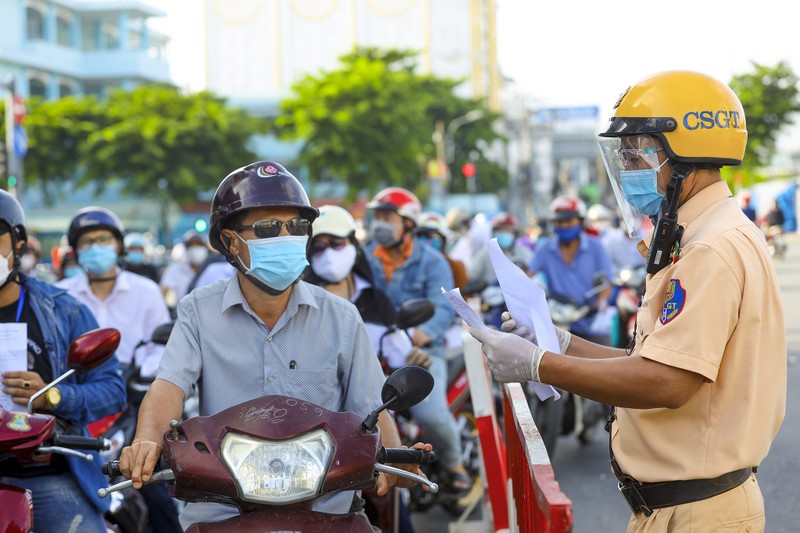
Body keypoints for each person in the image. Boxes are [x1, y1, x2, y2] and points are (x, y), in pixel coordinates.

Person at [471, 71, 786, 532]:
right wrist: (560, 343)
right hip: (679, 509)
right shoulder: (706, 234)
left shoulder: (709, 248)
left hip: (700, 514)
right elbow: (648, 360)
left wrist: (539, 365)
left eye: (637, 151)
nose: (629, 166)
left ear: (684, 154)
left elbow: (667, 382)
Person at [117, 161, 426, 529]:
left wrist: (398, 458)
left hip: (326, 504)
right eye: (267, 228)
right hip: (222, 502)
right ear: (231, 242)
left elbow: (371, 404)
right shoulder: (198, 310)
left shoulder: (342, 316)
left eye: (295, 227)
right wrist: (147, 441)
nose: (285, 236)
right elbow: (168, 386)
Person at [0, 189, 126, 532]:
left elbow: (112, 390)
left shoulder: (63, 310)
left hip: (49, 474)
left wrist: (52, 397)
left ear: (19, 243)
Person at [304, 204, 430, 533]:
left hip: (371, 414)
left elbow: (374, 381)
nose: (328, 254)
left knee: (394, 510)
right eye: (318, 246)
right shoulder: (299, 305)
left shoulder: (375, 302)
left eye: (337, 244)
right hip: (309, 429)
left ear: (353, 246)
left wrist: (414, 357)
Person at [55, 206, 179, 531]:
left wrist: (141, 377)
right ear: (76, 251)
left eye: (104, 239)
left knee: (154, 488)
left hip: (135, 402)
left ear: (118, 245)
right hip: (78, 401)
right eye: (88, 241)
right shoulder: (62, 296)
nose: (97, 247)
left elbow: (162, 351)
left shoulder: (146, 291)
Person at [364, 187, 471, 493]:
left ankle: (453, 463)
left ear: (408, 224)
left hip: (421, 353)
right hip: (376, 351)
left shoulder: (433, 261)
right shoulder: (365, 258)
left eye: (387, 217)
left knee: (430, 413)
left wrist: (423, 334)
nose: (379, 223)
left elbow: (443, 307)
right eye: (378, 216)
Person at [528, 196, 614, 344]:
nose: (564, 226)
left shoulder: (596, 247)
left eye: (569, 221)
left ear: (580, 221)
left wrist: (599, 302)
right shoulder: (546, 249)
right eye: (559, 222)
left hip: (589, 320)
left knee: (606, 360)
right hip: (557, 323)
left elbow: (606, 283)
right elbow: (528, 275)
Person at [159, 230, 210, 307]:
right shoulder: (175, 269)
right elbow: (162, 293)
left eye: (199, 245)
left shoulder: (213, 269)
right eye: (191, 246)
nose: (195, 249)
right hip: (183, 314)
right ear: (185, 249)